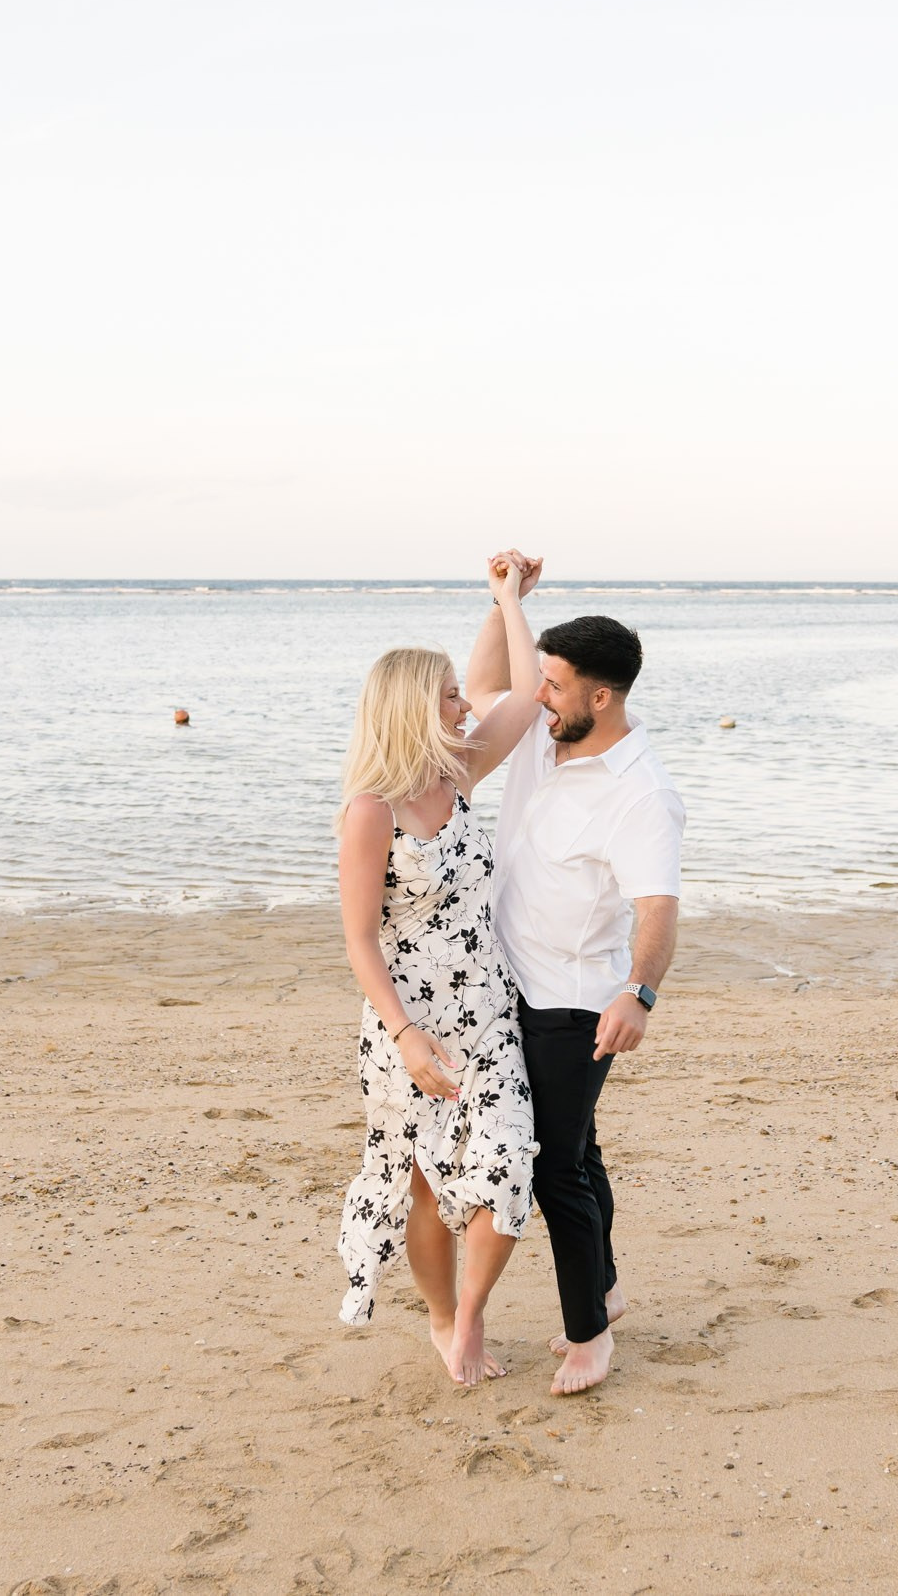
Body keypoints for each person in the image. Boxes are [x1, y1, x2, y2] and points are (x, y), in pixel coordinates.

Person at [333, 556, 547, 1385]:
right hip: (410, 1024)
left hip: (489, 1010)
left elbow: (523, 695)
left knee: (508, 1162)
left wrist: (505, 602)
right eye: (453, 694)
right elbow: (358, 939)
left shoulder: (457, 772)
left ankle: (474, 1312)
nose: (468, 703)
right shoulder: (370, 810)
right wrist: (404, 1032)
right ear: (416, 708)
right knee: (422, 1187)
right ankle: (440, 1315)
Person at [465, 589, 684, 1395]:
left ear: (602, 696)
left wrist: (640, 993)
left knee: (553, 1166)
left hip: (574, 1001)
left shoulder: (641, 792)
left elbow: (658, 907)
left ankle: (589, 1336)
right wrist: (501, 601)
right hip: (507, 984)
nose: (537, 694)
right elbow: (483, 683)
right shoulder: (541, 732)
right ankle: (608, 1290)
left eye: (552, 684)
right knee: (580, 1152)